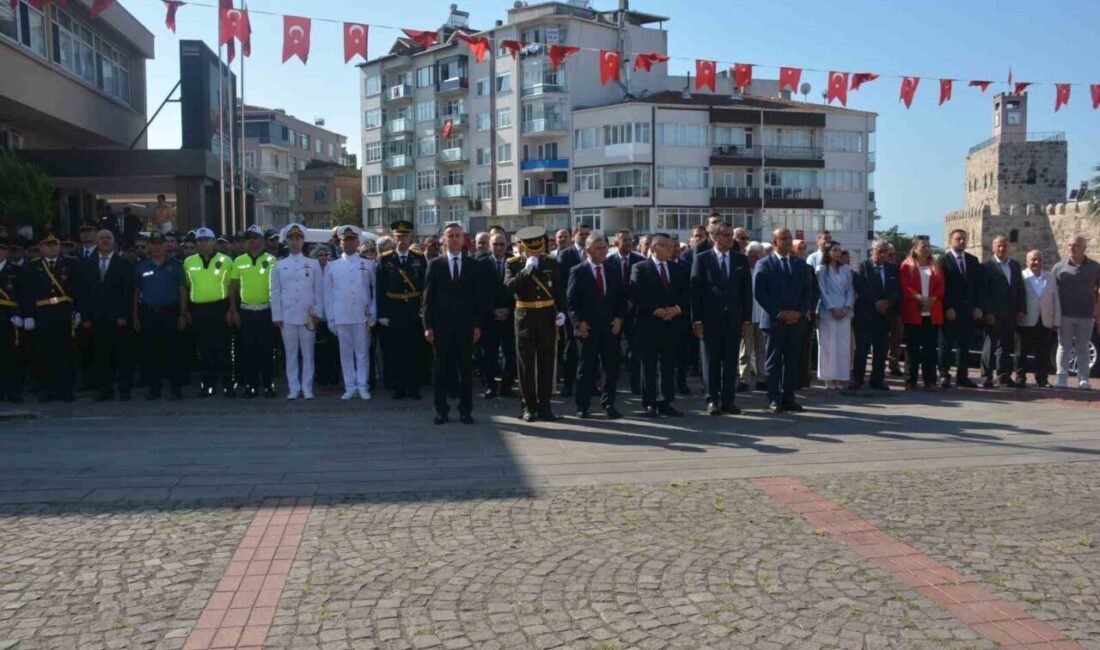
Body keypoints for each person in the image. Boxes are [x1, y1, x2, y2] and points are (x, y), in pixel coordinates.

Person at [691, 222, 752, 415]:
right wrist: (697, 319)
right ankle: (712, 399)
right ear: (715, 237)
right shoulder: (702, 259)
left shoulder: (740, 260)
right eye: (725, 235)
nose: (729, 239)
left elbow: (746, 293)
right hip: (710, 320)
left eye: (731, 235)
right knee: (711, 362)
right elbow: (695, 291)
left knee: (731, 362)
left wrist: (746, 320)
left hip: (733, 320)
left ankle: (728, 400)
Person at [505, 227, 566, 422]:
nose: (535, 252)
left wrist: (561, 311)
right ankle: (528, 406)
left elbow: (559, 291)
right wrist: (526, 271)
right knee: (526, 366)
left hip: (547, 317)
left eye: (538, 248)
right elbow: (509, 287)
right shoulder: (513, 264)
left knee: (547, 363)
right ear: (521, 246)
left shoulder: (550, 262)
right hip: (525, 318)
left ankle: (545, 406)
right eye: (531, 249)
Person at [423, 222, 480, 424]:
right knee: (441, 370)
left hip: (465, 327)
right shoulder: (435, 264)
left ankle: (465, 410)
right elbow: (428, 298)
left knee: (465, 370)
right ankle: (442, 410)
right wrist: (427, 326)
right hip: (441, 327)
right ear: (444, 240)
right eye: (451, 236)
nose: (454, 239)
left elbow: (476, 299)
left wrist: (477, 325)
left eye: (457, 235)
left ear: (463, 239)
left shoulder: (473, 264)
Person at [754, 228, 813, 414]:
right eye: (783, 238)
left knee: (792, 360)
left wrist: (799, 312)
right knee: (773, 361)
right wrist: (779, 313)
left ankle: (789, 398)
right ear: (774, 241)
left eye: (789, 238)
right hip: (774, 322)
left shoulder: (800, 264)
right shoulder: (764, 263)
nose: (788, 241)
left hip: (796, 322)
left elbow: (808, 292)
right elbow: (760, 293)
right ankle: (773, 398)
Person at [567, 232, 626, 419]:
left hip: (610, 328)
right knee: (586, 369)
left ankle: (608, 404)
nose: (603, 252)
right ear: (588, 250)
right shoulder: (578, 271)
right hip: (588, 329)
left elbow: (621, 299)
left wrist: (619, 318)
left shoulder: (613, 269)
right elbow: (571, 301)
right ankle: (582, 405)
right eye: (599, 248)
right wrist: (578, 323)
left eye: (605, 248)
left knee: (610, 368)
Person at [630, 232, 689, 418]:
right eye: (664, 245)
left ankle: (666, 401)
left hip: (671, 323)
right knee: (648, 365)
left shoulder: (678, 268)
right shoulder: (640, 268)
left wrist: (677, 309)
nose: (669, 248)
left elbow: (686, 294)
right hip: (648, 323)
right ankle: (649, 403)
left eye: (670, 245)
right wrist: (655, 310)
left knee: (669, 364)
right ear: (654, 248)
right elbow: (637, 293)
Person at [20, 233, 80, 402]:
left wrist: (79, 311)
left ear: (59, 246)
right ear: (40, 248)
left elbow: (79, 289)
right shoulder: (32, 267)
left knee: (66, 352)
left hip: (64, 311)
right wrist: (28, 315)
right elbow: (27, 293)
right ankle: (49, 389)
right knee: (45, 352)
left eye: (55, 244)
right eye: (47, 245)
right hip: (43, 313)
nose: (52, 248)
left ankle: (66, 390)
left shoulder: (70, 264)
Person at [270, 224, 324, 400]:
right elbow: (275, 292)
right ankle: (294, 387)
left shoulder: (313, 264)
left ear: (303, 241)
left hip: (308, 316)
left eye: (298, 238)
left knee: (308, 354)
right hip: (287, 316)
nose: (295, 242)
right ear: (287, 242)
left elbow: (319, 291)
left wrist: (318, 313)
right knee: (290, 354)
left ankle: (307, 388)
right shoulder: (279, 265)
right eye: (291, 239)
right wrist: (276, 316)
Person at [79, 229, 134, 401]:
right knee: (101, 356)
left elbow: (128, 292)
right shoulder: (87, 264)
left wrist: (124, 315)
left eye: (108, 238)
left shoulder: (124, 263)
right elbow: (83, 293)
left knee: (123, 355)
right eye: (101, 238)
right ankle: (105, 390)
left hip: (118, 318)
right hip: (96, 318)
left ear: (114, 241)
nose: (104, 240)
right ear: (96, 240)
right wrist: (86, 317)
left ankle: (124, 390)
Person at [132, 231, 187, 400]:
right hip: (149, 313)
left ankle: (176, 388)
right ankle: (154, 388)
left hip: (170, 312)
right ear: (148, 246)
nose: (156, 247)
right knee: (151, 354)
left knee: (174, 353)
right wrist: (135, 316)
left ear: (165, 246)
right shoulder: (141, 266)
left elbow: (183, 290)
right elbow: (136, 292)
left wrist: (183, 314)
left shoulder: (176, 265)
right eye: (153, 244)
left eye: (159, 243)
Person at [325, 225, 377, 400]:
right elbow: (328, 294)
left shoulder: (368, 264)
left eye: (351, 240)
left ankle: (362, 385)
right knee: (345, 354)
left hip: (362, 315)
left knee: (362, 353)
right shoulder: (332, 266)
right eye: (345, 240)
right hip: (341, 315)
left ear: (357, 242)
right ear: (340, 243)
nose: (348, 243)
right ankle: (350, 386)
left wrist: (374, 311)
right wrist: (330, 318)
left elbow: (375, 290)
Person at [377, 220, 427, 400]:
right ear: (393, 238)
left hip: (413, 311)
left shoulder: (419, 258)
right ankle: (398, 387)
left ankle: (414, 387)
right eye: (398, 237)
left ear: (410, 237)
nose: (402, 240)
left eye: (405, 236)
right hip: (394, 311)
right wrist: (382, 313)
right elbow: (380, 289)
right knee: (395, 351)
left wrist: (424, 310)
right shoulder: (385, 259)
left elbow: (424, 287)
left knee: (414, 350)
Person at [183, 228, 235, 397]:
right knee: (204, 351)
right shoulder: (188, 262)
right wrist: (187, 311)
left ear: (214, 242)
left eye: (207, 239)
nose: (203, 243)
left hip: (220, 309)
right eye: (200, 240)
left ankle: (228, 385)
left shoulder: (226, 261)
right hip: (199, 311)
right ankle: (207, 386)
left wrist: (231, 309)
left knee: (225, 350)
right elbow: (186, 288)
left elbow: (232, 288)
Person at [229, 225, 278, 398]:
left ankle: (268, 386)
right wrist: (233, 310)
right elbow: (233, 288)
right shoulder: (238, 261)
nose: (253, 240)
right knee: (248, 351)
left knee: (267, 351)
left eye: (256, 237)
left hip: (266, 311)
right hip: (246, 312)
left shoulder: (272, 260)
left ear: (263, 240)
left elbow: (278, 289)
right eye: (249, 237)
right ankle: (250, 386)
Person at [1052, 235, 1100, 389]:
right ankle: (1061, 378)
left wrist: (1097, 312)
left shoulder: (1095, 267)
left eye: (1076, 246)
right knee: (1064, 346)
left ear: (1084, 248)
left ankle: (1083, 379)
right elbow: (1051, 293)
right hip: (1065, 315)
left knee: (1083, 347)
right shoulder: (1058, 267)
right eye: (1070, 245)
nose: (1072, 248)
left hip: (1086, 315)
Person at [851, 239, 900, 391]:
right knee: (862, 350)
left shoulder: (892, 269)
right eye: (880, 251)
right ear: (872, 251)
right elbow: (860, 287)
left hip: (884, 316)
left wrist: (887, 302)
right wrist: (875, 303)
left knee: (881, 350)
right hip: (866, 315)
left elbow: (896, 290)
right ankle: (858, 379)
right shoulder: (863, 266)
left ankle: (877, 380)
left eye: (886, 252)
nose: (883, 255)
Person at [938, 229, 984, 388]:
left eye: (964, 239)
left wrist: (978, 306)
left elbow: (978, 286)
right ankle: (944, 375)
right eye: (958, 239)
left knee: (964, 345)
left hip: (968, 310)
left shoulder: (973, 260)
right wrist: (947, 307)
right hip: (951, 310)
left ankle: (962, 376)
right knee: (946, 344)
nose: (962, 242)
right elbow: (941, 288)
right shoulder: (943, 261)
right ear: (951, 241)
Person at [899, 237, 944, 390]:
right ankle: (910, 381)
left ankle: (930, 381)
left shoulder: (935, 265)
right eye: (922, 246)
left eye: (928, 246)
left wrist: (932, 299)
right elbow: (906, 286)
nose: (926, 249)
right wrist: (919, 298)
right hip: (914, 312)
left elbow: (941, 286)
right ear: (915, 248)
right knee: (912, 349)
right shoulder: (907, 265)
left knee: (930, 349)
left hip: (932, 312)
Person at [980, 235, 1025, 388]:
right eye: (998, 245)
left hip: (1010, 313)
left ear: (1009, 247)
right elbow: (984, 292)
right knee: (990, 346)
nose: (1002, 248)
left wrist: (1021, 309)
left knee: (1006, 346)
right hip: (993, 314)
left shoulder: (1015, 265)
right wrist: (988, 312)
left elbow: (1020, 289)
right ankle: (986, 376)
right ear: (993, 248)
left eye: (1004, 245)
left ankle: (1004, 376)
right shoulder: (987, 266)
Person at [478, 232, 516, 399]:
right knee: (489, 354)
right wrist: (493, 310)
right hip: (489, 317)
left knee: (510, 353)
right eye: (495, 244)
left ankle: (506, 386)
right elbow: (478, 293)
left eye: (502, 244)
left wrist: (509, 309)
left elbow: (519, 290)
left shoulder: (515, 263)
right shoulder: (481, 264)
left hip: (510, 316)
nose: (499, 248)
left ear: (507, 245)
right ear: (490, 245)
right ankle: (490, 386)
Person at [813, 242, 855, 390]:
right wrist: (832, 308)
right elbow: (822, 291)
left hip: (844, 310)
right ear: (828, 252)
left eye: (839, 250)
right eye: (834, 250)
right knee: (827, 345)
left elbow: (850, 290)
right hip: (828, 310)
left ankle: (841, 375)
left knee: (843, 344)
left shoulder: (845, 269)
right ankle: (827, 377)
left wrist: (846, 307)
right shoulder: (821, 269)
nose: (837, 253)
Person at [608, 229, 645, 395]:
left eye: (630, 240)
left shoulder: (640, 260)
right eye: (625, 240)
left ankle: (636, 386)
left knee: (635, 351)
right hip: (614, 313)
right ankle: (611, 385)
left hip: (634, 313)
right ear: (616, 243)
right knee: (612, 351)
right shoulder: (608, 262)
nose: (629, 243)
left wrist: (633, 301)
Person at [1016, 249, 1060, 388]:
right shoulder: (1021, 277)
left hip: (1044, 320)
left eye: (1039, 259)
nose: (1036, 262)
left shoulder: (1050, 277)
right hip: (1026, 320)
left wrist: (1056, 320)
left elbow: (1055, 299)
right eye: (1033, 259)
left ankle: (1042, 379)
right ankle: (1020, 378)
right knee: (1021, 352)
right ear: (1027, 261)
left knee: (1043, 353)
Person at [556, 223, 590, 398]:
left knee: (590, 350)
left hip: (590, 309)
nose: (584, 237)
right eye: (581, 234)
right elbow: (561, 284)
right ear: (574, 235)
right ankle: (568, 385)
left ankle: (590, 385)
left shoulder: (593, 253)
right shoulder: (566, 254)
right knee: (571, 348)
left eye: (587, 234)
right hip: (572, 310)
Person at [738, 241, 767, 392]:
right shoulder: (741, 270)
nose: (754, 259)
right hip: (746, 317)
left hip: (762, 316)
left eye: (757, 256)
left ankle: (762, 378)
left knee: (761, 350)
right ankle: (744, 379)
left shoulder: (764, 270)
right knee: (745, 351)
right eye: (751, 255)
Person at [0, 237, 24, 402]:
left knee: (11, 357)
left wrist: (20, 313)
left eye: (2, 249)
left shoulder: (15, 271)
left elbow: (24, 294)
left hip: (9, 317)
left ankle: (13, 391)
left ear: (7, 252)